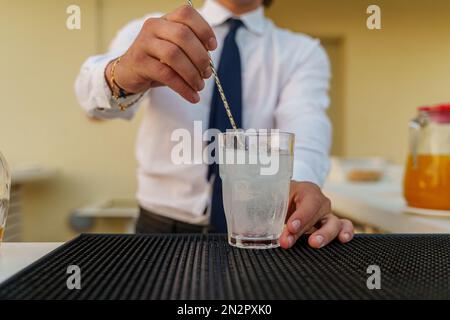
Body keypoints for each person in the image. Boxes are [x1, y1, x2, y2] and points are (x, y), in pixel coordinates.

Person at [75, 0, 354, 249]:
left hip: (260, 230)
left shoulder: (302, 53)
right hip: (160, 232)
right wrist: (123, 73)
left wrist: (300, 186)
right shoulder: (155, 31)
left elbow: (306, 128)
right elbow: (93, 107)